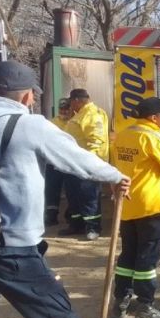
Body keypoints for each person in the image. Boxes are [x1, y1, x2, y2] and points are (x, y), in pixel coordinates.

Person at [0, 60, 130, 318]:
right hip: (10, 246)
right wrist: (115, 176)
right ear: (27, 97)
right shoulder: (30, 126)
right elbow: (78, 159)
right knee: (57, 316)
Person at [111, 97, 160, 318]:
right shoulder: (155, 136)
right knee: (147, 257)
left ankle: (121, 300)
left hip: (127, 203)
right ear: (153, 117)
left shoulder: (123, 134)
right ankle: (145, 305)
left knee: (128, 254)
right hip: (152, 203)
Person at [62, 88, 110, 241]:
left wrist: (90, 164)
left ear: (77, 100)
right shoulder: (80, 114)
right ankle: (76, 224)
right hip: (74, 164)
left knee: (88, 196)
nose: (70, 106)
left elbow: (95, 140)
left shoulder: (92, 114)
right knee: (74, 195)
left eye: (71, 103)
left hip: (85, 165)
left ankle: (93, 227)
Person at [44, 98, 73, 226]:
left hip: (70, 161)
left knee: (71, 189)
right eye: (61, 109)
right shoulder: (52, 122)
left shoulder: (75, 122)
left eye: (66, 109)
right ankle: (51, 215)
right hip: (54, 160)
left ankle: (71, 215)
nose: (64, 111)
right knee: (52, 189)